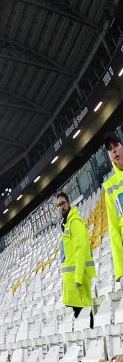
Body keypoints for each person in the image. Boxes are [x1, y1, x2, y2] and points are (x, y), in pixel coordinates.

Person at [58, 192, 95, 326]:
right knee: (80, 325)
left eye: (62, 203)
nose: (61, 207)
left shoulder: (75, 222)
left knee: (86, 321)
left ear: (68, 203)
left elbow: (81, 249)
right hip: (71, 283)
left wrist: (78, 277)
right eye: (58, 205)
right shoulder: (67, 224)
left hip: (78, 282)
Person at [104, 136, 123, 283]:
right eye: (109, 149)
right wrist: (120, 271)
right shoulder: (110, 187)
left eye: (116, 145)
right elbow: (114, 229)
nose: (114, 150)